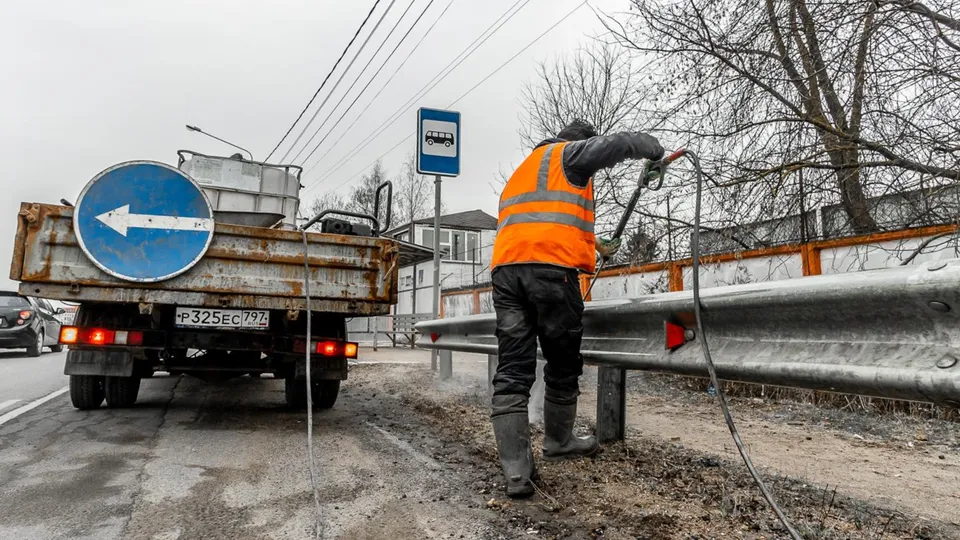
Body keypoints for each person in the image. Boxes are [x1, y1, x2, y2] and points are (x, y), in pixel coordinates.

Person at [489, 120, 664, 498]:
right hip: (550, 274)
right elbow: (617, 145)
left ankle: (517, 473)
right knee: (563, 361)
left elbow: (539, 222)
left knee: (513, 370)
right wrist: (653, 148)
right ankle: (559, 440)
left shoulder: (526, 169)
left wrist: (594, 244)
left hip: (506, 273)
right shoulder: (568, 154)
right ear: (580, 143)